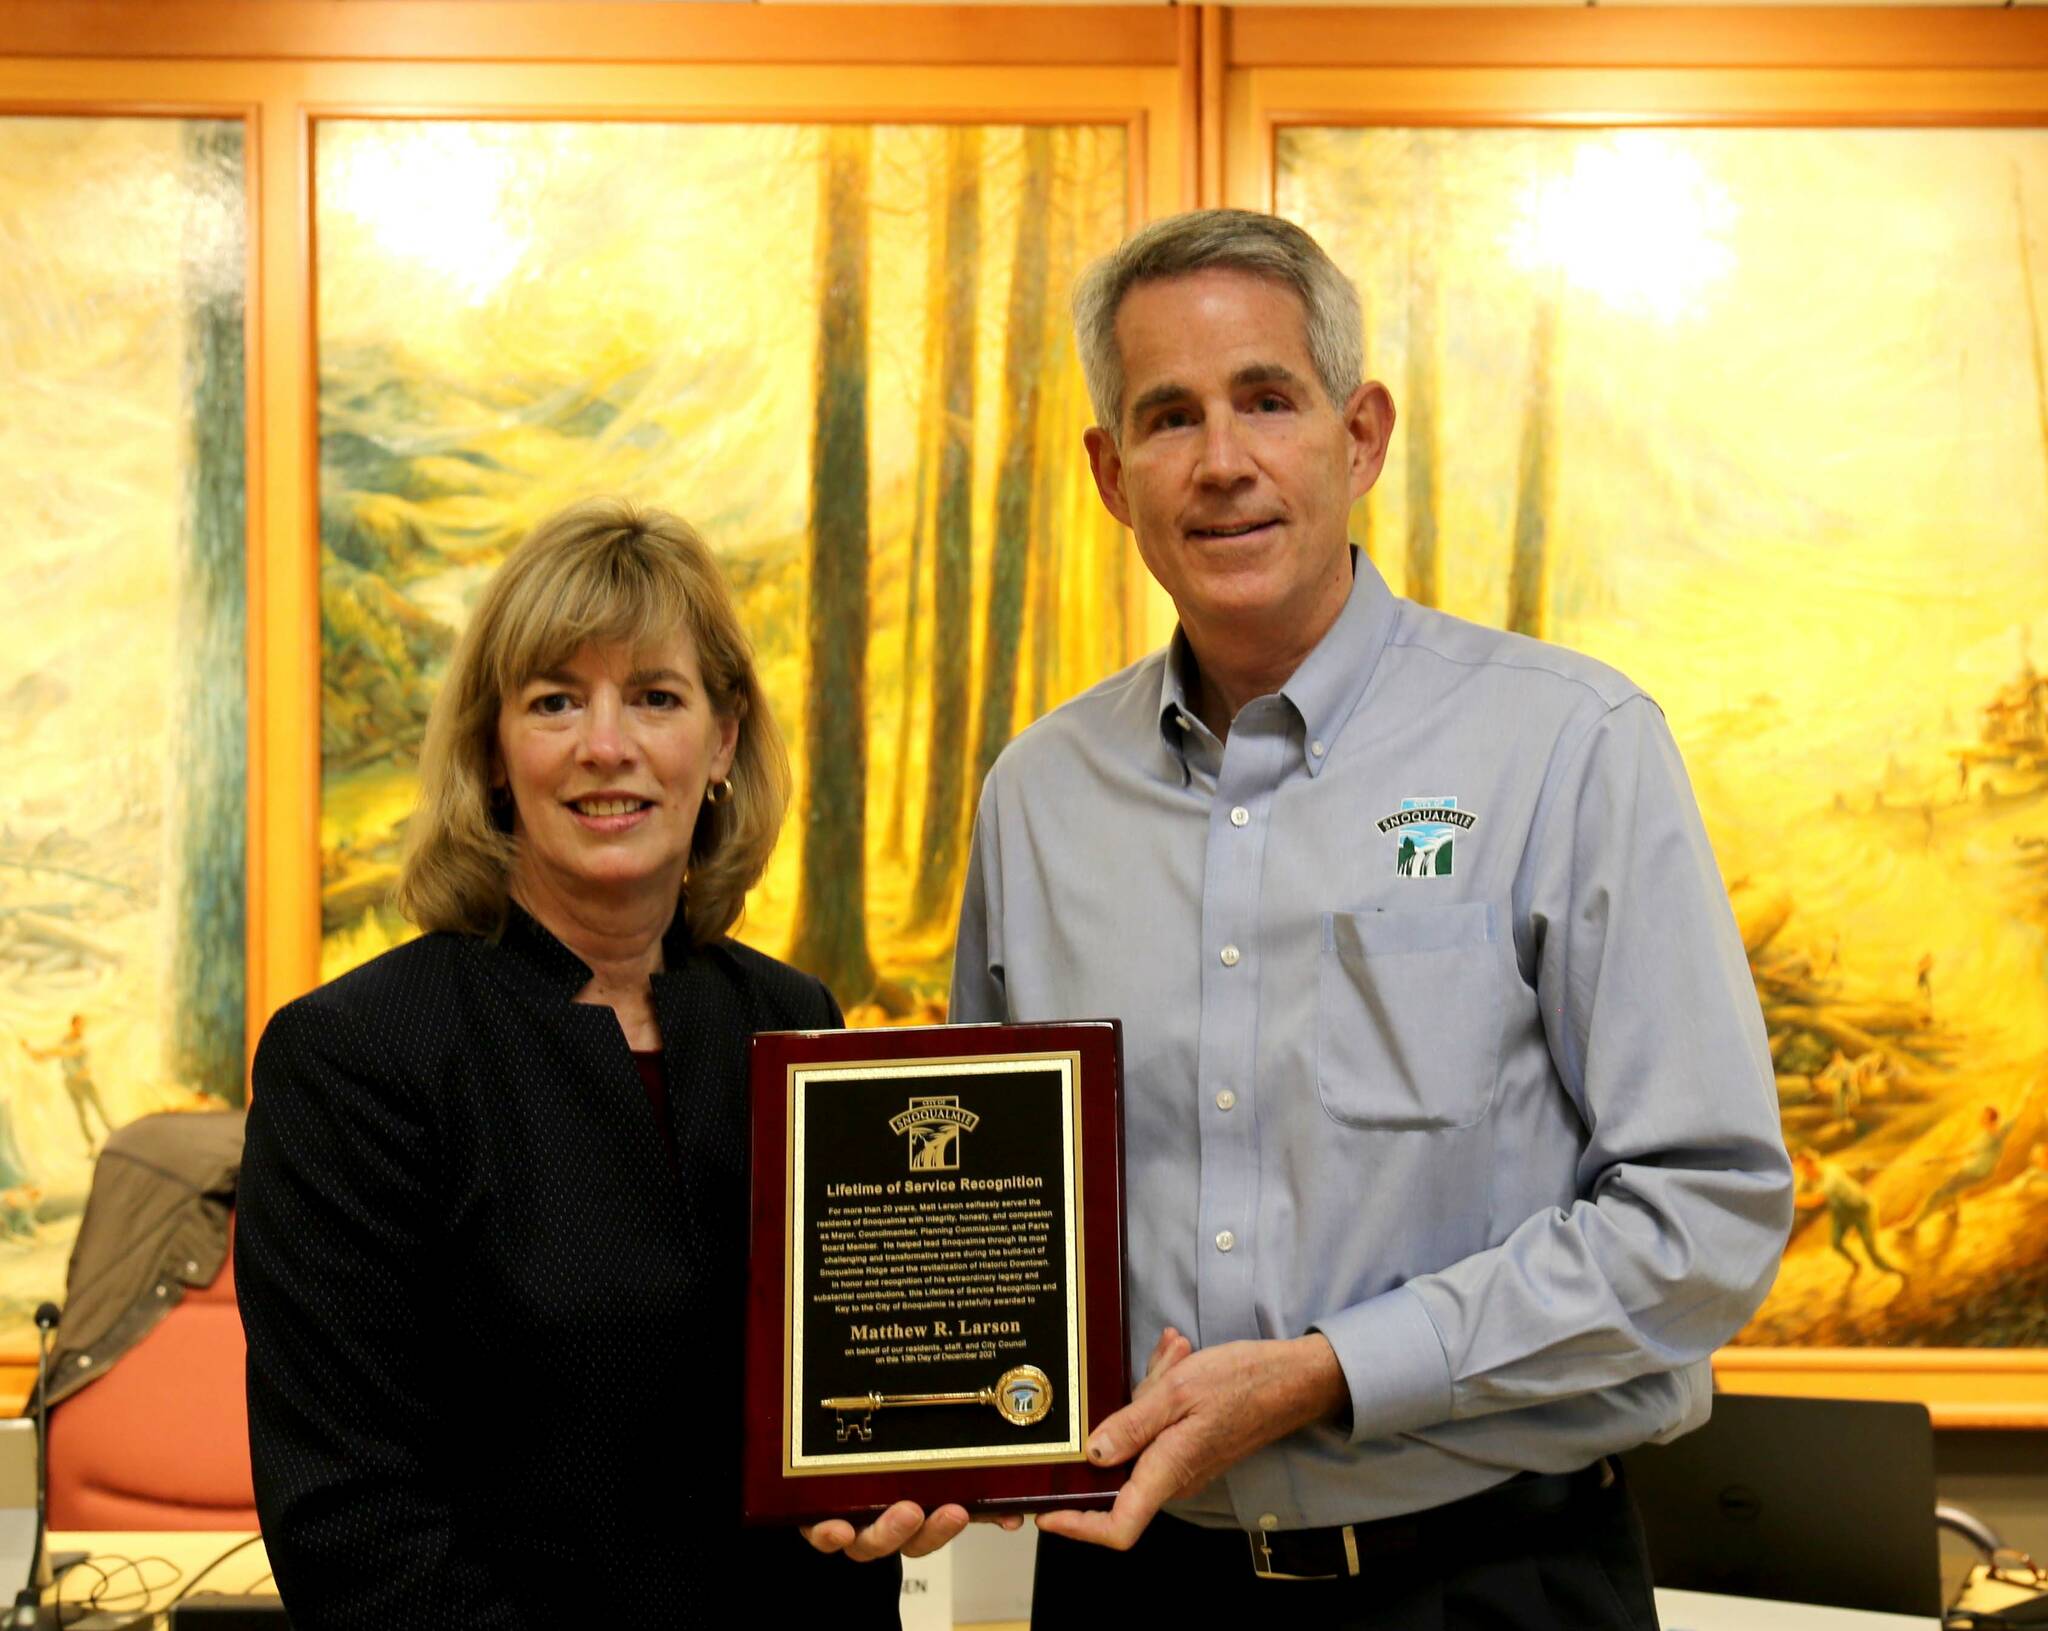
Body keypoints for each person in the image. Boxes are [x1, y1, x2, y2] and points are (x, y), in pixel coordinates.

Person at [920, 210, 1793, 1625]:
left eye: (1268, 398)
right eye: (1167, 416)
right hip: (1137, 1586)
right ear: (1109, 473)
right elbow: (990, 1225)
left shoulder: (1568, 747)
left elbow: (1706, 1212)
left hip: (1490, 1580)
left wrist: (1333, 1367)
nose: (1222, 462)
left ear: (1360, 434)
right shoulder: (1038, 797)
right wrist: (903, 1425)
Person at [236, 501, 903, 1629]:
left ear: (723, 739)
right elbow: (354, 1530)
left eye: (655, 695)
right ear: (494, 752)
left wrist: (904, 1476)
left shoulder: (793, 1024)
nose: (608, 745)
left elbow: (842, 1413)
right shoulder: (353, 1060)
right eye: (555, 699)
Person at [1792, 1149, 1900, 1276]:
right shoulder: (1810, 1178)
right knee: (1836, 1243)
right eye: (1799, 1169)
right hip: (1842, 1214)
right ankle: (1856, 1264)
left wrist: (1790, 1200)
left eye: (1802, 1168)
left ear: (1812, 1163)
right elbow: (1796, 1191)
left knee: (1872, 1252)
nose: (1801, 1172)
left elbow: (1815, 1200)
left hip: (1862, 1211)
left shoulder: (1831, 1174)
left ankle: (1900, 1273)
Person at [22, 1014, 115, 1149]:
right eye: (80, 1024)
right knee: (81, 1114)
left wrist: (42, 1052)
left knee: (100, 1109)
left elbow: (64, 1053)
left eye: (83, 1025)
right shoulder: (65, 1041)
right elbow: (44, 1057)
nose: (82, 1027)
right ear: (73, 1025)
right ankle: (91, 1144)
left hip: (85, 1082)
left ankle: (114, 1134)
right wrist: (29, 1050)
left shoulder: (82, 1042)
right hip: (71, 1082)